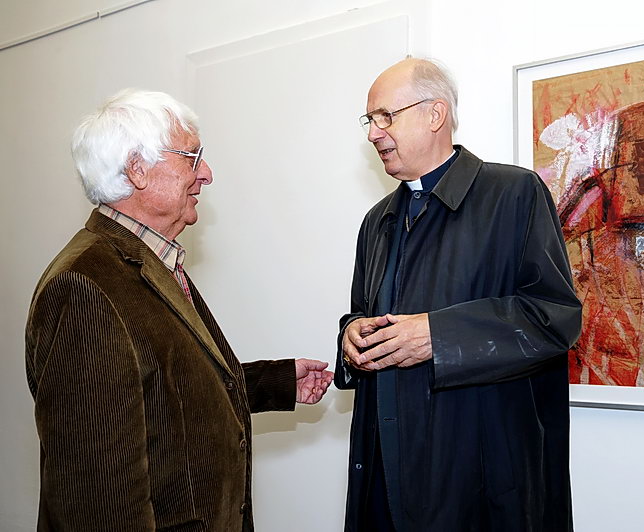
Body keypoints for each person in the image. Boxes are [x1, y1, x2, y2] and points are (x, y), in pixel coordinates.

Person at [24, 88, 333, 532]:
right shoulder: (83, 286)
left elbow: (161, 392)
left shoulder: (149, 259)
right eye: (192, 157)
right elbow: (96, 497)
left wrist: (274, 382)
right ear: (137, 169)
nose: (206, 174)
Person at [335, 58, 583, 531]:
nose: (373, 133)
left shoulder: (514, 194)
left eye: (386, 116)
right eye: (370, 120)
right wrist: (351, 336)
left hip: (478, 480)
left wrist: (438, 335)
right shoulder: (377, 221)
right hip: (385, 472)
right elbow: (363, 314)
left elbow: (553, 318)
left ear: (435, 114)